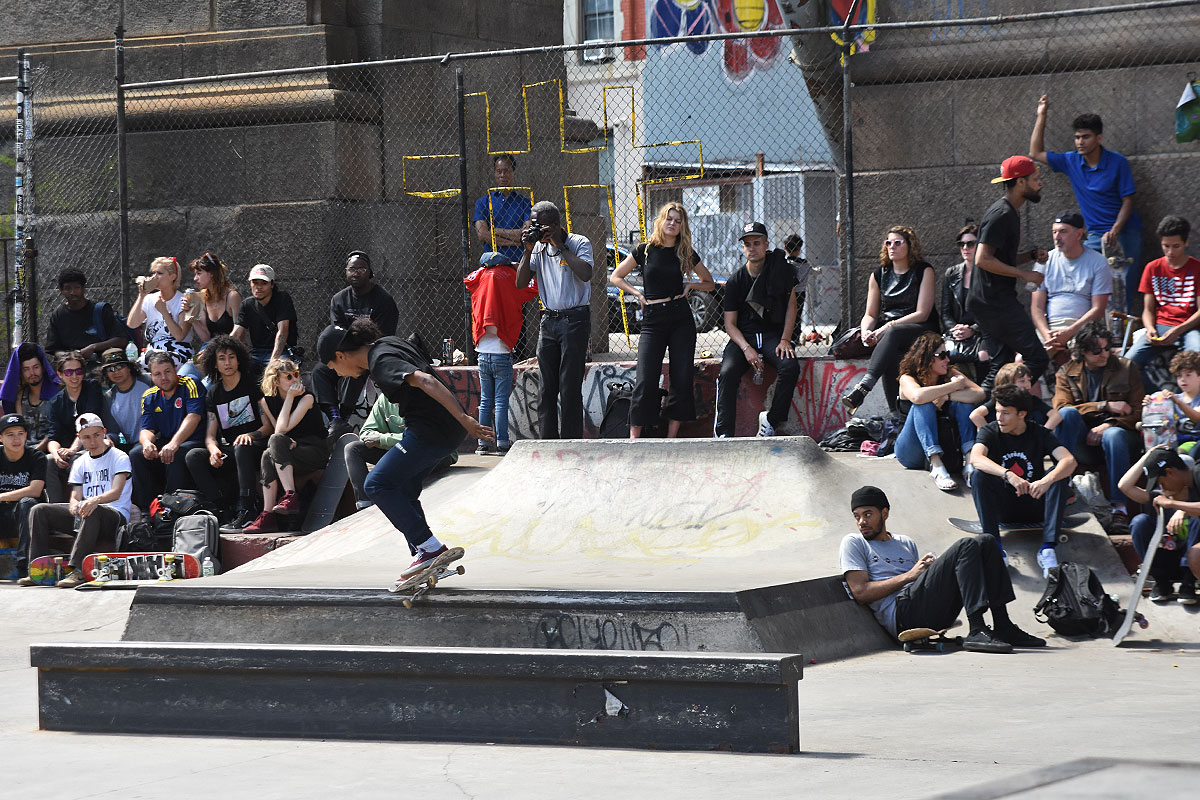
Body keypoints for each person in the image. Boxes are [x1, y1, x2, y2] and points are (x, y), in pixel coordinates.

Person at [318, 320, 492, 578]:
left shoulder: (380, 362)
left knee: (376, 484)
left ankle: (430, 548)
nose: (340, 374)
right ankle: (427, 556)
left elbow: (425, 380)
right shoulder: (387, 343)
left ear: (341, 355)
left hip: (429, 431)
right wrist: (459, 419)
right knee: (403, 490)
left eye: (334, 368)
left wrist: (464, 417)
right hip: (443, 429)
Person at [840, 485, 1046, 653]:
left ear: (884, 514)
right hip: (902, 617)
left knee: (987, 541)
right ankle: (976, 628)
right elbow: (860, 592)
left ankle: (1003, 625)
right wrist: (911, 575)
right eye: (857, 516)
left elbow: (919, 585)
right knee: (965, 546)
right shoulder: (854, 542)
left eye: (868, 514)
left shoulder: (905, 542)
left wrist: (933, 571)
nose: (861, 522)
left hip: (929, 609)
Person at [610, 203, 715, 439]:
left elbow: (709, 282)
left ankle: (671, 438)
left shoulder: (684, 251)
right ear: (661, 221)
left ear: (682, 226)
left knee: (681, 377)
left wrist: (691, 285)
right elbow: (616, 276)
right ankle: (634, 437)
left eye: (678, 221)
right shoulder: (645, 250)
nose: (672, 224)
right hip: (653, 320)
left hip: (680, 318)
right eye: (669, 219)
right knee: (645, 379)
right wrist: (636, 293)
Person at [1029, 96, 1142, 309]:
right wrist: (1041, 114)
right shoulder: (1071, 160)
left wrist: (1116, 230)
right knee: (1087, 285)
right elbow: (1034, 153)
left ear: (1098, 138)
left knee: (1121, 290)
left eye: (1086, 137)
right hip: (1094, 237)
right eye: (1077, 137)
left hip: (1125, 233)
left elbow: (1128, 200)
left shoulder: (1118, 162)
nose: (1080, 141)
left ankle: (1120, 337)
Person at [969, 385, 1078, 576]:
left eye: (1006, 413)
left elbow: (1069, 461)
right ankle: (994, 547)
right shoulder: (990, 431)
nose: (999, 418)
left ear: (1022, 414)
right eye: (997, 412)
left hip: (1035, 503)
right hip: (1003, 508)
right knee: (978, 475)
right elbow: (976, 458)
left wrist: (1046, 481)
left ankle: (1047, 549)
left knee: (1059, 474)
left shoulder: (1039, 433)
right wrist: (1008, 475)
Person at [966, 155, 1050, 393]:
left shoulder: (1009, 212)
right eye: (1035, 179)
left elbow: (999, 258)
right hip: (995, 302)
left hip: (989, 301)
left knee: (1000, 366)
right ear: (1020, 182)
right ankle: (1006, 406)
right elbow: (982, 259)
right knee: (1037, 358)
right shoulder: (1001, 214)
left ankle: (984, 414)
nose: (1040, 183)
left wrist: (1030, 255)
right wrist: (1025, 274)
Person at [19, 413, 132, 589]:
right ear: (79, 438)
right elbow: (76, 494)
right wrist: (73, 504)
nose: (93, 441)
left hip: (115, 516)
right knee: (39, 510)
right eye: (87, 437)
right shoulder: (80, 461)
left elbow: (116, 492)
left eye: (97, 435)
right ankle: (38, 569)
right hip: (88, 514)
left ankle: (78, 570)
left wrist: (95, 500)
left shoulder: (119, 457)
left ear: (104, 432)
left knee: (92, 508)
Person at [1052, 321, 1143, 532]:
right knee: (1067, 413)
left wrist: (1109, 423)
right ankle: (1061, 487)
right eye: (1096, 351)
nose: (1104, 354)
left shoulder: (1127, 368)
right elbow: (1061, 408)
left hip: (1119, 439)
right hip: (1083, 441)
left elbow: (1138, 411)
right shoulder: (1066, 372)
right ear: (1082, 352)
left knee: (1113, 435)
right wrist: (1105, 405)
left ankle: (1120, 510)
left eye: (1107, 348)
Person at [514, 200, 594, 440]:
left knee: (569, 387)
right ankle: (548, 442)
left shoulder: (578, 242)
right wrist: (527, 250)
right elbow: (520, 283)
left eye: (541, 226)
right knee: (546, 387)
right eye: (534, 225)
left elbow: (586, 273)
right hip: (549, 321)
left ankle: (571, 441)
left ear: (557, 225)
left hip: (575, 320)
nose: (537, 231)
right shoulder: (537, 248)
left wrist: (560, 246)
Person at [714, 221, 799, 438]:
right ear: (743, 248)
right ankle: (723, 434)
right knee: (727, 372)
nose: (752, 248)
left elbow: (791, 306)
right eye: (748, 244)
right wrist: (746, 349)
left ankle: (770, 421)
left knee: (790, 366)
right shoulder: (735, 281)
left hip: (773, 336)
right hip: (744, 338)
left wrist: (785, 339)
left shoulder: (779, 270)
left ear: (766, 244)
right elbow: (730, 324)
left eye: (757, 243)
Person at [841, 226, 939, 413]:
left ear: (910, 246)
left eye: (897, 243)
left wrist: (888, 326)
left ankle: (864, 387)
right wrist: (866, 333)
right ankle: (895, 414)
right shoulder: (879, 274)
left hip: (921, 329)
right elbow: (870, 314)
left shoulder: (923, 271)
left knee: (892, 333)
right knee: (890, 348)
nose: (892, 247)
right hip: (890, 334)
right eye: (888, 243)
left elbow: (923, 313)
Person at [185, 335, 272, 530]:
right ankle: (221, 509)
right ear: (214, 364)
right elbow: (210, 434)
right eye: (222, 358)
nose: (227, 362)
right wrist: (214, 448)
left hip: (258, 445)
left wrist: (251, 435)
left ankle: (247, 509)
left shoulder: (253, 385)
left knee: (242, 446)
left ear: (239, 359)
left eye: (231, 357)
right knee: (194, 456)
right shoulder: (213, 393)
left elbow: (268, 427)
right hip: (233, 449)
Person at [313, 251, 399, 438]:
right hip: (343, 352)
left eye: (361, 269)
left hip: (370, 353)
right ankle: (335, 419)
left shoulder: (384, 300)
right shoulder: (338, 299)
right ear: (346, 272)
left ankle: (344, 416)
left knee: (355, 368)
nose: (356, 273)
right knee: (320, 370)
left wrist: (355, 346)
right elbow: (336, 334)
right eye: (352, 269)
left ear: (370, 272)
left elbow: (382, 337)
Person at [241, 357, 330, 533]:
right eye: (288, 377)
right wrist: (288, 441)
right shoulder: (267, 401)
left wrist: (289, 397)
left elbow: (281, 430)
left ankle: (290, 496)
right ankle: (267, 515)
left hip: (314, 450)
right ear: (276, 380)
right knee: (267, 453)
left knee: (275, 440)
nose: (295, 380)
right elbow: (280, 432)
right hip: (289, 448)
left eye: (296, 375)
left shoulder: (307, 397)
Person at [466, 251, 539, 452]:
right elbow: (532, 288)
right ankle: (503, 443)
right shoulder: (509, 277)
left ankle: (483, 444)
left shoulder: (480, 276)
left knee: (485, 401)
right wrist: (516, 267)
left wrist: (485, 266)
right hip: (502, 352)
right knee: (500, 402)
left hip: (482, 351)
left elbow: (468, 280)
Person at [894, 332, 984, 491]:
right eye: (942, 355)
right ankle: (936, 466)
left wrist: (949, 396)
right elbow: (917, 396)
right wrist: (953, 387)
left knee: (964, 402)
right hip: (911, 452)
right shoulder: (908, 377)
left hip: (948, 452)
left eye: (947, 354)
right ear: (927, 357)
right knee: (924, 404)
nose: (947, 360)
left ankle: (970, 462)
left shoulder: (949, 373)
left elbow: (979, 393)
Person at [1123, 215, 1200, 392]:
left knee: (1196, 358)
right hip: (1160, 327)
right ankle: (1159, 398)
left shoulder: (1196, 268)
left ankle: (1190, 405)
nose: (1170, 252)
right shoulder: (1153, 268)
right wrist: (1149, 328)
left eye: (1176, 246)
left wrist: (1178, 330)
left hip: (1189, 328)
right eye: (1166, 246)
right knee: (1127, 365)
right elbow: (1148, 309)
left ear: (1186, 242)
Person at [345, 393, 458, 511]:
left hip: (433, 451)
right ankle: (366, 504)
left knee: (418, 453)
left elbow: (424, 437)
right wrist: (385, 440)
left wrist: (383, 439)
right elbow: (366, 433)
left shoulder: (423, 397)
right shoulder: (385, 399)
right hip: (400, 451)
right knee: (353, 449)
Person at [1117, 447, 1200, 604]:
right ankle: (1161, 583)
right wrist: (1150, 456)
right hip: (1169, 564)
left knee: (1197, 519)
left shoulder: (1194, 485)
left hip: (1192, 564)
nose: (1162, 488)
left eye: (1161, 482)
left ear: (1170, 472)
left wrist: (1179, 507)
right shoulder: (1160, 499)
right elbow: (1124, 486)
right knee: (1139, 521)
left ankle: (1188, 585)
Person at [129, 352, 206, 514]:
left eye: (167, 371)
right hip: (167, 441)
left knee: (175, 453)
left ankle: (172, 508)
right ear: (151, 376)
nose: (163, 377)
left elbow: (193, 417)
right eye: (157, 374)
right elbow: (146, 429)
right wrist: (147, 443)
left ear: (175, 369)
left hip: (194, 440)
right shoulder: (149, 396)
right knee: (136, 453)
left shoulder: (190, 384)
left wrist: (174, 444)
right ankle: (148, 510)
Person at [1031, 210, 1112, 363]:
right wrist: (1048, 335)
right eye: (1054, 232)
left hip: (1083, 327)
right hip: (1050, 328)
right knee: (1023, 361)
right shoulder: (1043, 262)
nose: (1057, 237)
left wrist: (1069, 332)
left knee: (1083, 358)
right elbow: (1036, 307)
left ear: (1078, 234)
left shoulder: (1098, 262)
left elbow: (1098, 309)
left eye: (1063, 232)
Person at [44, 351, 116, 504]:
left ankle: (81, 507)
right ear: (60, 375)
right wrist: (57, 453)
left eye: (78, 371)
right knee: (49, 460)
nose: (74, 376)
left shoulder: (92, 387)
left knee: (79, 458)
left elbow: (89, 423)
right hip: (67, 448)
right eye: (69, 372)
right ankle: (57, 509)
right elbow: (53, 436)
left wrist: (72, 450)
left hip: (92, 441)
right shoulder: (56, 401)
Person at [126, 256, 199, 380]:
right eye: (153, 273)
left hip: (177, 351)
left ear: (173, 276)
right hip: (153, 350)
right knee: (131, 371)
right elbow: (132, 324)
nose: (155, 277)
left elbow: (180, 336)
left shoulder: (183, 300)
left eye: (159, 273)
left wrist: (164, 311)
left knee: (159, 364)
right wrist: (142, 295)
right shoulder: (149, 299)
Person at [938, 224, 993, 374]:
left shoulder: (990, 273)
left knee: (983, 355)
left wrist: (973, 329)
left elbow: (994, 311)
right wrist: (955, 329)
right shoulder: (952, 273)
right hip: (956, 332)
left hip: (984, 331)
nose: (965, 248)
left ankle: (984, 395)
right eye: (961, 244)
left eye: (970, 243)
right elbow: (945, 311)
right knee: (939, 355)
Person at [43, 269, 127, 363]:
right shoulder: (58, 315)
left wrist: (94, 347)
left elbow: (121, 340)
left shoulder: (100, 310)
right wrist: (71, 357)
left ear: (84, 288)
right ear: (61, 290)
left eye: (77, 287)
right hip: (70, 368)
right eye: (68, 288)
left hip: (101, 364)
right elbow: (54, 349)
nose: (72, 292)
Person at [0, 414, 46, 582]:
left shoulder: (37, 457)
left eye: (20, 433)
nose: (16, 439)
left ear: (26, 435)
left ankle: (25, 566)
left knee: (28, 503)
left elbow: (35, 490)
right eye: (10, 434)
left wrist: (2, 496)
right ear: (1, 437)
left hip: (23, 514)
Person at [231, 264, 299, 366]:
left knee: (280, 369)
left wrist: (274, 360)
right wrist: (218, 350)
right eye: (255, 282)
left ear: (272, 284)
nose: (259, 287)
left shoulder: (282, 299)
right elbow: (236, 333)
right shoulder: (247, 304)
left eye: (264, 283)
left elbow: (283, 330)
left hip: (282, 352)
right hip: (256, 353)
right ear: (250, 284)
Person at [0, 343, 61, 454]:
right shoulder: (20, 397)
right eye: (26, 369)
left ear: (42, 367)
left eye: (35, 367)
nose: (32, 373)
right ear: (21, 372)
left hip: (51, 450)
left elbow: (56, 429)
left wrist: (35, 453)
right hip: (25, 451)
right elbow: (20, 428)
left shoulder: (57, 393)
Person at [969, 362, 1062, 432]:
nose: (1028, 385)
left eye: (1028, 380)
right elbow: (975, 415)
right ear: (1007, 383)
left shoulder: (1031, 399)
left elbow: (1055, 416)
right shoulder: (998, 401)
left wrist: (1042, 434)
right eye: (1022, 381)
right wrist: (991, 435)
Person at [473, 154, 532, 264]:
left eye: (507, 171)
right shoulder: (483, 202)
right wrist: (515, 242)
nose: (502, 175)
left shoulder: (525, 202)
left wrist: (496, 231)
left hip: (519, 262)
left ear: (513, 172)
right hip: (492, 261)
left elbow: (526, 233)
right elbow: (482, 234)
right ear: (494, 173)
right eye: (499, 171)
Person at [183, 252, 242, 356]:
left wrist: (217, 349)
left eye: (199, 273)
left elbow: (240, 334)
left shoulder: (232, 296)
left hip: (232, 348)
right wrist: (191, 317)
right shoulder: (201, 297)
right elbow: (206, 337)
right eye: (195, 274)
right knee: (188, 369)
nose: (195, 278)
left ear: (211, 274)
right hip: (209, 347)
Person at [97, 348, 152, 451]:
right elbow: (113, 431)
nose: (116, 372)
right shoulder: (108, 398)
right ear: (106, 374)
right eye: (110, 369)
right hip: (135, 446)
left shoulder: (149, 381)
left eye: (120, 366)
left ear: (129, 367)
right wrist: (108, 439)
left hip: (158, 437)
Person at [1164, 351, 1200, 446]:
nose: (1183, 379)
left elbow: (1196, 417)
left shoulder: (1176, 400)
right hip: (1176, 440)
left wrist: (1178, 402)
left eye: (1188, 375)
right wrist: (1152, 402)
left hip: (1196, 441)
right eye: (1179, 376)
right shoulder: (1175, 398)